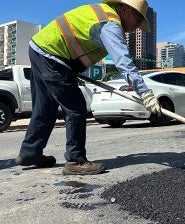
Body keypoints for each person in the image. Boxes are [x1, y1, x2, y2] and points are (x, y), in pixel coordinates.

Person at [15, 0, 161, 175]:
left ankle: (30, 152)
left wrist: (70, 67)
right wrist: (145, 92)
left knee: (45, 107)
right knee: (75, 107)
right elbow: (124, 63)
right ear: (123, 10)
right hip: (53, 55)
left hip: (40, 49)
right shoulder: (110, 24)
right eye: (137, 18)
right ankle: (75, 160)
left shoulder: (101, 14)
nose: (138, 25)